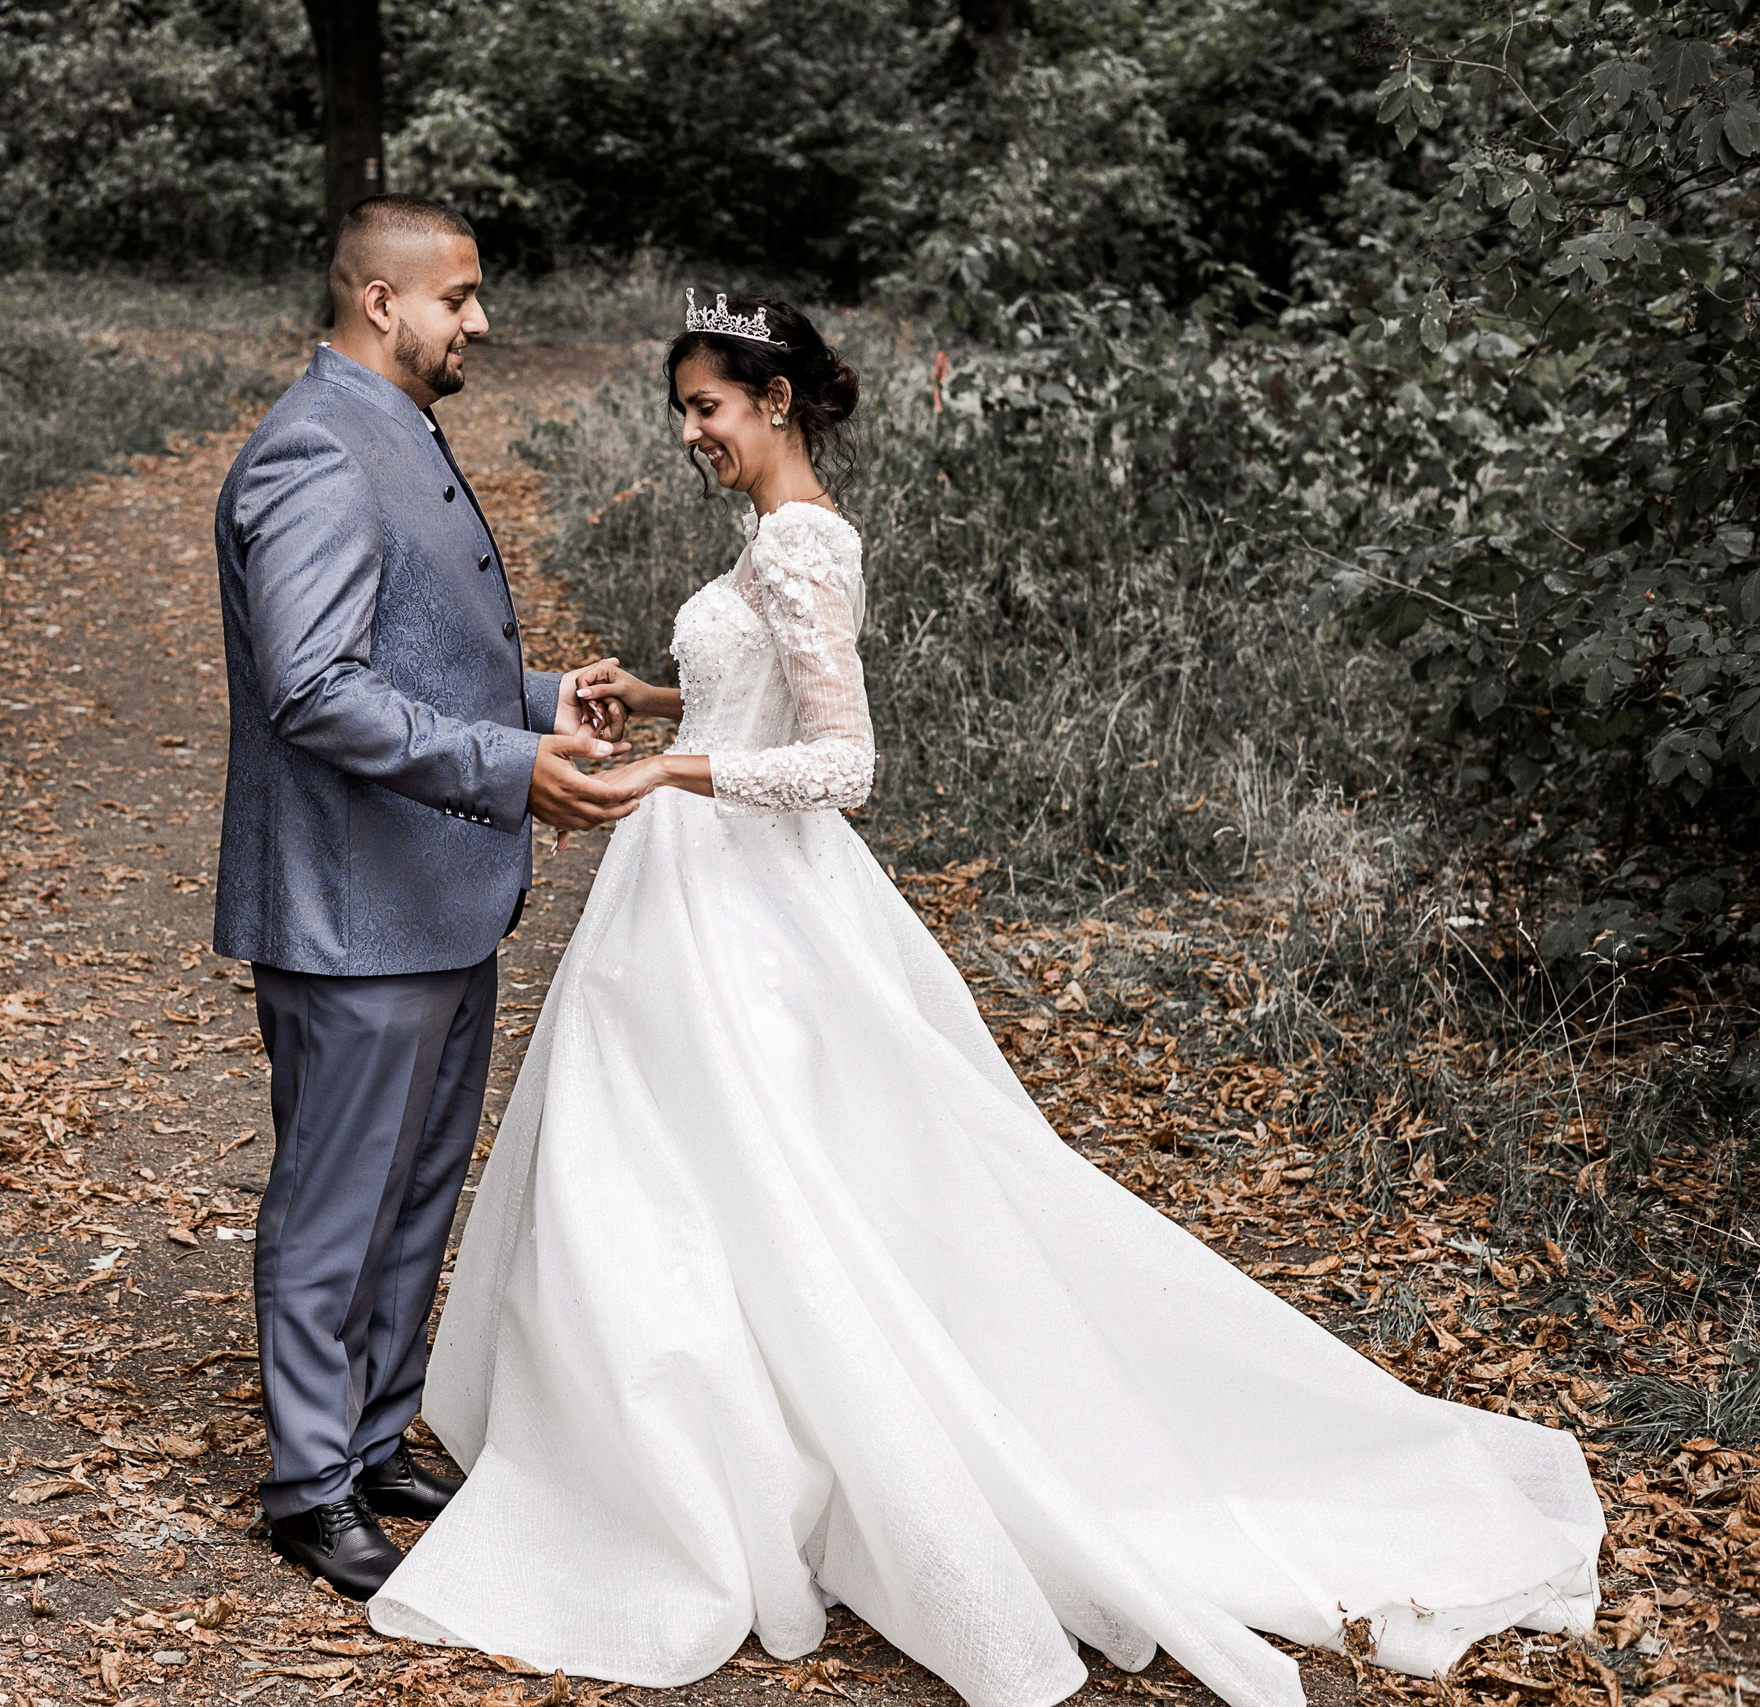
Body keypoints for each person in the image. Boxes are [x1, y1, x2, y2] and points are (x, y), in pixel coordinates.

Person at [364, 291, 1605, 1707]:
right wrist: (658, 700)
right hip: (696, 896)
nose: (691, 432)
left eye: (707, 405)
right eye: (683, 409)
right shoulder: (774, 539)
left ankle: (750, 1464)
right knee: (681, 1180)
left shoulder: (805, 542)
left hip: (747, 904)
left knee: (751, 1178)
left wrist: (672, 771)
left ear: (774, 402)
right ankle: (689, 1447)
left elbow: (844, 764)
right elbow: (757, 698)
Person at [209, 194, 643, 1600]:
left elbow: (411, 656)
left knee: (412, 1195)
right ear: (380, 301)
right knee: (336, 1202)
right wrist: (513, 768)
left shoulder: (388, 427)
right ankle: (309, 1482)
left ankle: (381, 1435)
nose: (480, 321)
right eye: (458, 297)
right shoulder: (316, 452)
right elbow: (317, 691)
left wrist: (534, 703)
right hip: (352, 911)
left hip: (435, 894)